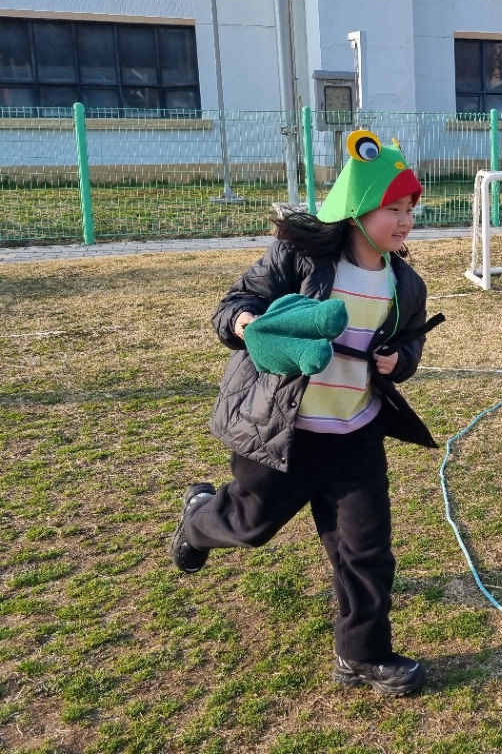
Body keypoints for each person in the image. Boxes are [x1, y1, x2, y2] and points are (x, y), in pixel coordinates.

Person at [169, 131, 437, 698]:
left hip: (355, 435)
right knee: (250, 526)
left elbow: (410, 341)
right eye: (394, 207)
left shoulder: (405, 283)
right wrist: (252, 328)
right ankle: (198, 517)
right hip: (282, 434)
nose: (406, 220)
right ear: (358, 209)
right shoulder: (301, 259)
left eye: (411, 208)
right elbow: (233, 308)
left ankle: (361, 654)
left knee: (364, 550)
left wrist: (399, 359)